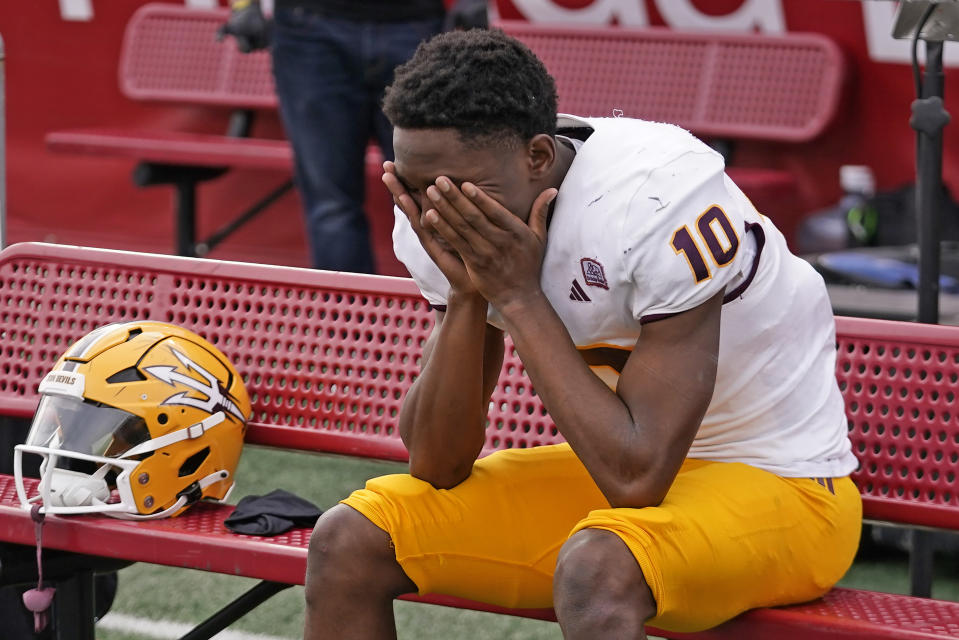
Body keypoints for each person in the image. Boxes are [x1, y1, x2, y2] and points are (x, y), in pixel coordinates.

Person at [303, 28, 862, 639]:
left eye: (461, 192)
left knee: (599, 569)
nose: (437, 212)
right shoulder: (439, 200)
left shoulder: (660, 197)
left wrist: (516, 295)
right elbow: (437, 463)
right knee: (349, 541)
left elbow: (636, 476)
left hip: (784, 484)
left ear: (538, 157)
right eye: (413, 186)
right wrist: (469, 295)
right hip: (622, 489)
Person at [218, 0, 488, 273]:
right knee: (333, 206)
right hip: (310, 30)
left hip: (413, 25)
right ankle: (346, 314)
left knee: (430, 198)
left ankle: (440, 314)